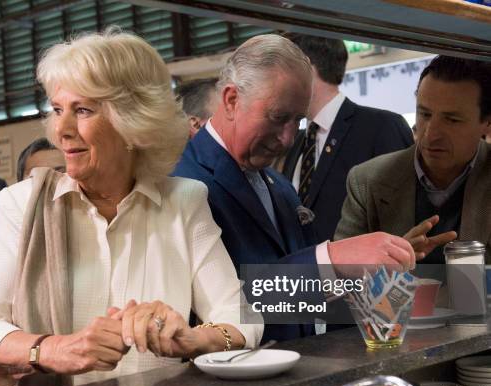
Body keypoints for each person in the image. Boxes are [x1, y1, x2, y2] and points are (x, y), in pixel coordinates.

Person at [0, 29, 263, 386]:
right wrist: (55, 350)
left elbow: (242, 319)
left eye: (82, 110)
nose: (61, 130)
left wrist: (189, 338)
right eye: (57, 110)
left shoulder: (184, 201)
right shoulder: (21, 205)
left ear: (134, 121)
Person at [173, 34, 417, 342]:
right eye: (278, 118)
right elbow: (227, 308)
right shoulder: (183, 185)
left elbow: (298, 300)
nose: (288, 139)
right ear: (231, 100)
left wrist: (369, 273)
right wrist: (332, 260)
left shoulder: (279, 186)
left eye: (297, 121)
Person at [335, 55, 491, 264]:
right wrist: (385, 267)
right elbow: (338, 281)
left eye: (452, 120)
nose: (430, 134)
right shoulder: (367, 181)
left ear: (487, 123)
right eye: (425, 114)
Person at [276, 35, 414, 242]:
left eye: (281, 71)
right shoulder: (297, 142)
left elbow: (401, 220)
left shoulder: (381, 127)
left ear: (306, 70)